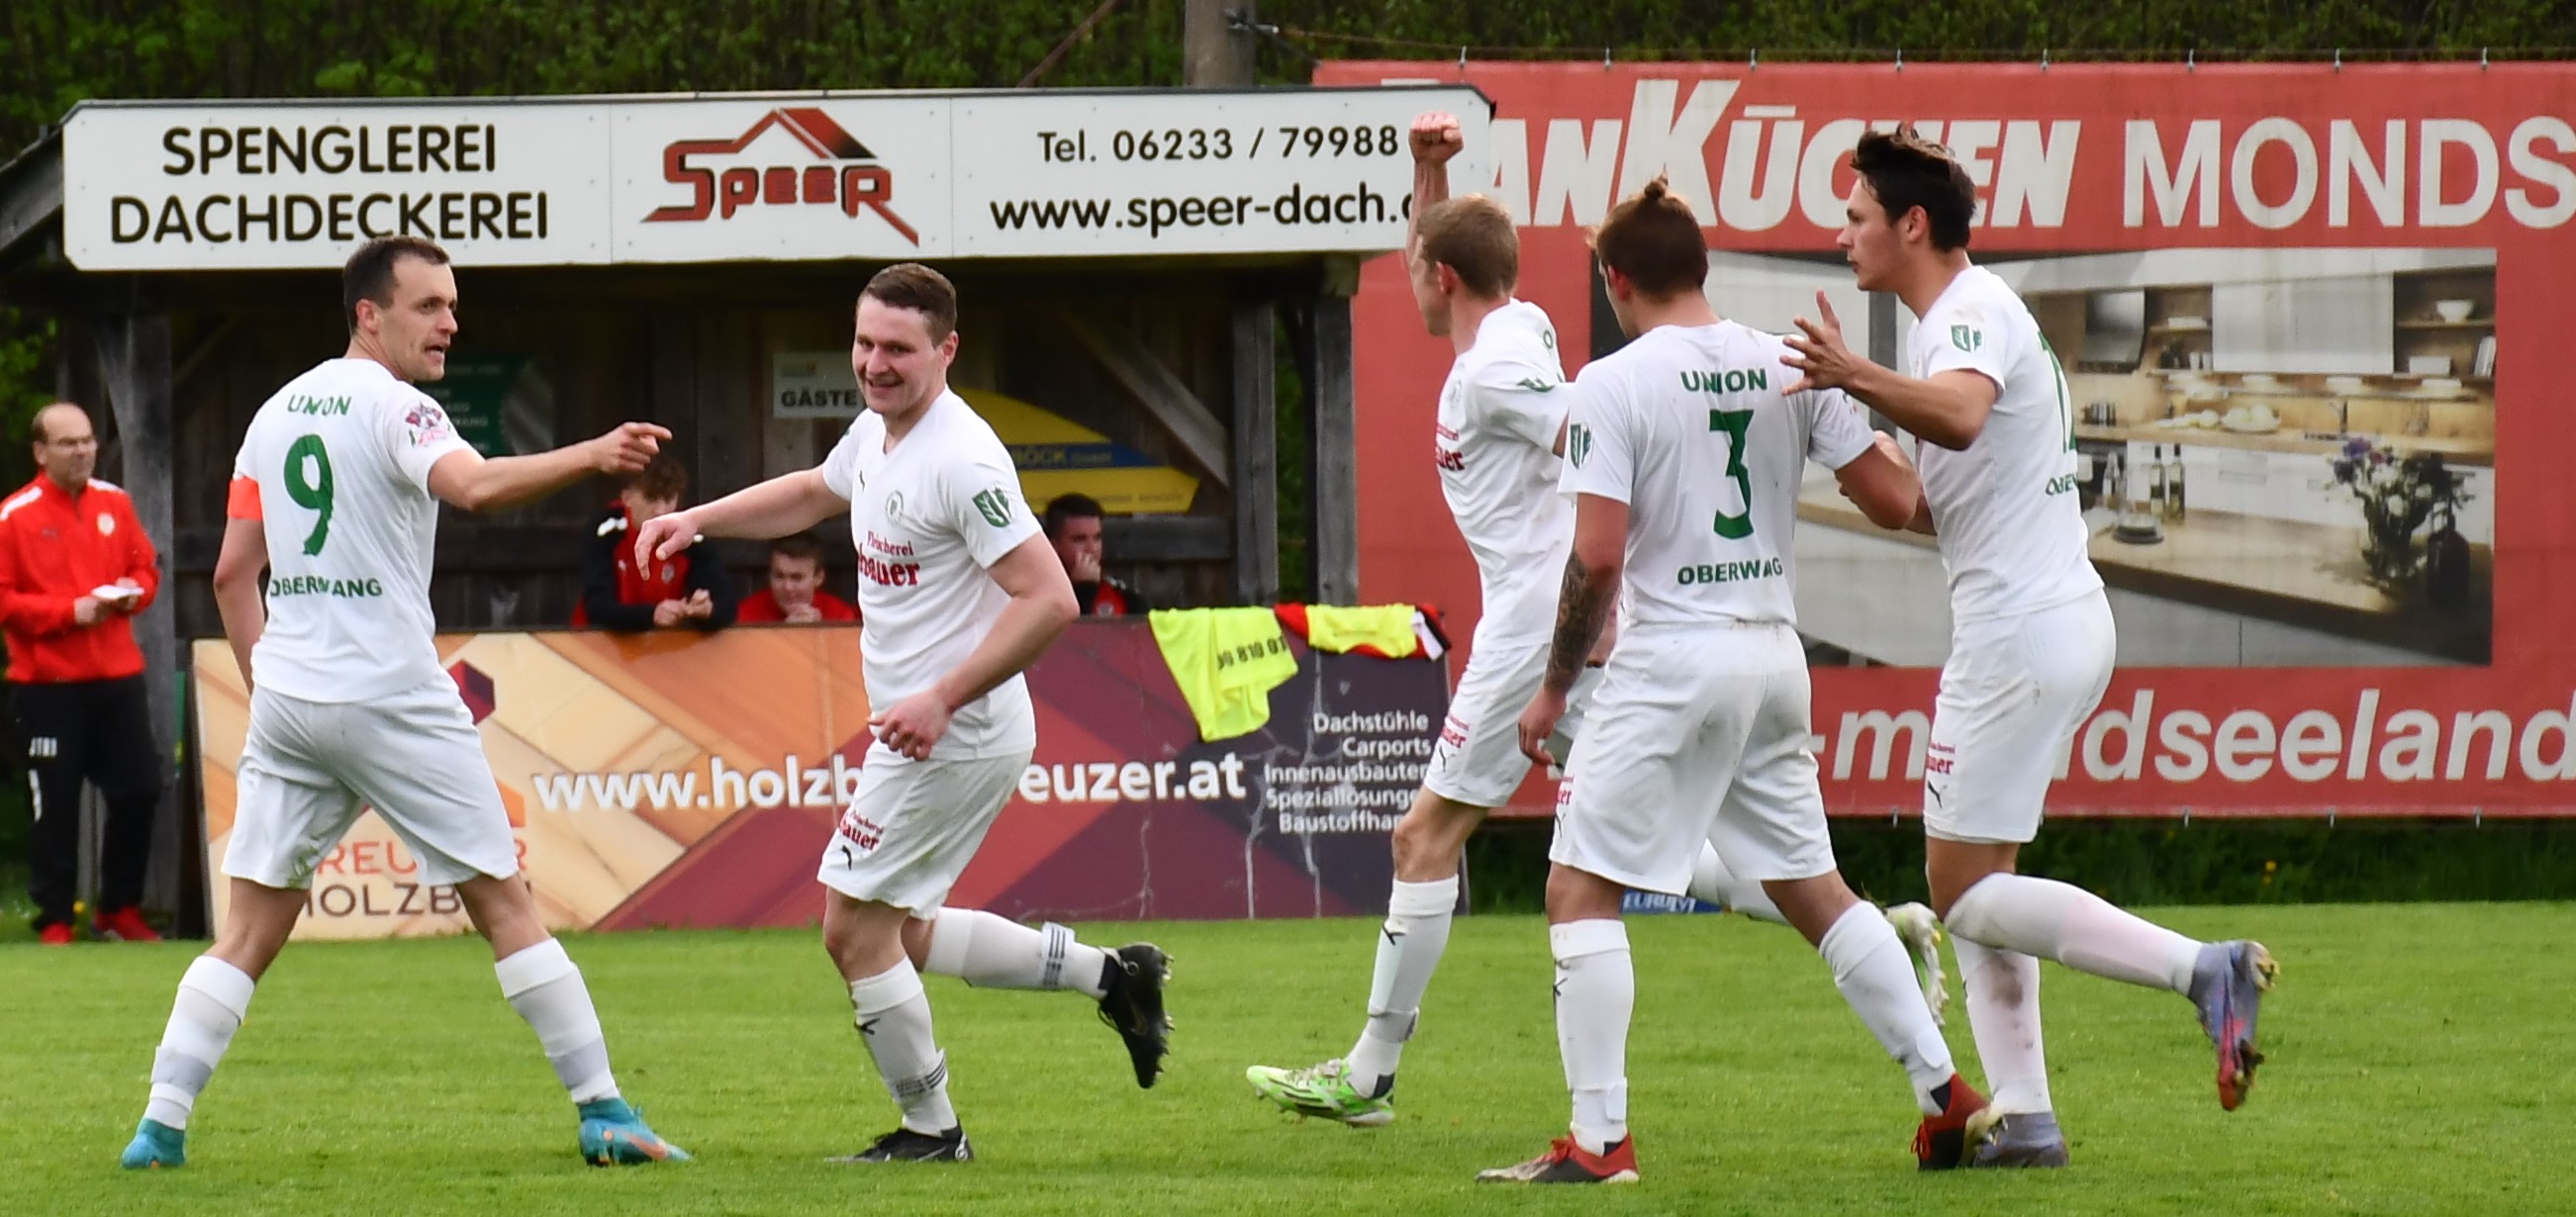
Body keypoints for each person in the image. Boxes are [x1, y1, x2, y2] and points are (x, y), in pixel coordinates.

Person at [1245, 113, 1949, 1133]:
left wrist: (1656, 413)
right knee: (1700, 845)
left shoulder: (1502, 368)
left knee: (1424, 837)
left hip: (1544, 629)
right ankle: (1877, 936)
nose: (1411, 275)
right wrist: (1429, 173)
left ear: (1442, 280)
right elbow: (1436, 255)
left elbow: (1582, 421)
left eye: (1421, 265)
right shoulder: (1514, 321)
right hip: (1642, 631)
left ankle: (1371, 1076)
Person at [120, 235, 687, 1170]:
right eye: (429, 306)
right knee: (504, 904)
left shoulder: (272, 413)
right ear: (368, 315)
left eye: (452, 306)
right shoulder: (400, 406)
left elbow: (231, 574)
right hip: (390, 693)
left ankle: (159, 1128)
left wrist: (271, 689)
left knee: (248, 931)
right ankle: (606, 1113)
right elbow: (474, 487)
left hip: (292, 699)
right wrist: (592, 452)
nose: (449, 322)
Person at [1781, 127, 2276, 1169]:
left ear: (1911, 225)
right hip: (2049, 619)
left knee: (1961, 889)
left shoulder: (1963, 312)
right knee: (1980, 884)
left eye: (1856, 217)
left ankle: (2203, 970)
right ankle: (2027, 1119)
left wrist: (1851, 374)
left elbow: (1961, 418)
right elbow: (1926, 503)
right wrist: (1844, 431)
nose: (1841, 235)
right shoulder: (1964, 317)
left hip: (2016, 632)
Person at [1483, 178, 1984, 1185]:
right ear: (1702, 268)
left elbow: (1596, 558)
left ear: (1615, 280)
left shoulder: (1609, 384)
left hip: (1673, 655)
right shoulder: (1788, 361)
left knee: (1577, 887)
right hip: (1770, 654)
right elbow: (1895, 502)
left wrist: (1551, 688)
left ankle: (1598, 1143)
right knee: (1816, 892)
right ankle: (1946, 1098)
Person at [633, 263, 1170, 1165]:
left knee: (851, 929)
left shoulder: (961, 460)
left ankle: (932, 1131)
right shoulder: (879, 432)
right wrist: (699, 521)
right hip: (929, 727)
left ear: (946, 350)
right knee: (903, 931)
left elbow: (1050, 599)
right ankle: (1114, 976)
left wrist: (942, 695)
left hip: (953, 731)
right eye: (864, 343)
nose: (874, 364)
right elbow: (814, 489)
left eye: (897, 349)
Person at [0, 403, 165, 945]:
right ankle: (54, 919)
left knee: (140, 788)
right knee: (55, 803)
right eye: (68, 443)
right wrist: (67, 612)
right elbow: (4, 600)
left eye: (88, 440)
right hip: (45, 686)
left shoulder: (115, 502)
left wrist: (134, 593)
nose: (82, 451)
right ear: (40, 452)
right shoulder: (13, 516)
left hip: (117, 678)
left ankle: (118, 909)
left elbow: (145, 566)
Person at [574, 457, 737, 631]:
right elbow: (598, 609)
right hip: (595, 640)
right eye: (650, 498)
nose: (660, 511)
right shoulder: (606, 531)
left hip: (663, 643)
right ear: (627, 497)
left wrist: (708, 610)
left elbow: (727, 606)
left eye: (668, 499)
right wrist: (651, 615)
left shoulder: (689, 537)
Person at [1040, 494, 1150, 616]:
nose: (1091, 549)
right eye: (1079, 539)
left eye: (1097, 538)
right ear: (1053, 545)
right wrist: (1083, 590)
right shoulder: (1037, 597)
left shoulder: (1126, 600)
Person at [737, 532, 858, 624]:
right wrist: (787, 633)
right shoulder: (747, 613)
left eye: (797, 578)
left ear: (818, 578)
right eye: (779, 576)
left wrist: (819, 632)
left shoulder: (840, 616)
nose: (787, 587)